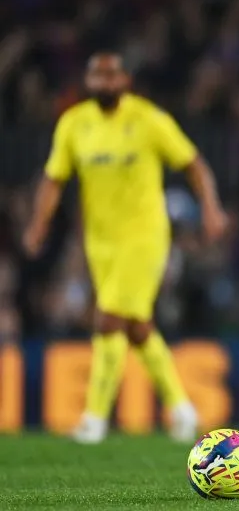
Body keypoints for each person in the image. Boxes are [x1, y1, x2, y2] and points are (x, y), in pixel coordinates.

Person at [23, 52, 228, 444]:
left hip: (144, 236)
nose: (104, 82)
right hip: (100, 241)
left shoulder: (148, 120)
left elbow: (194, 164)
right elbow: (54, 179)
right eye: (97, 76)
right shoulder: (74, 123)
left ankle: (94, 420)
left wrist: (211, 209)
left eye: (111, 76)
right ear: (88, 82)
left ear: (124, 81)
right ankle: (182, 408)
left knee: (109, 319)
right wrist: (38, 223)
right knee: (137, 327)